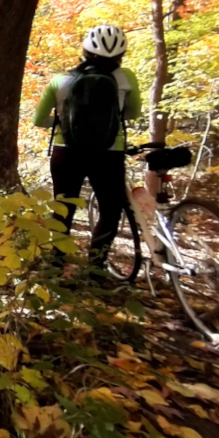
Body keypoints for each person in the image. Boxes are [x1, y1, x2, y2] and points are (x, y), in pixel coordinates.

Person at [32, 25, 143, 264]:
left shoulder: (60, 81)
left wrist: (62, 123)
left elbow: (38, 120)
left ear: (84, 50)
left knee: (63, 207)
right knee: (110, 210)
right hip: (109, 153)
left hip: (67, 152)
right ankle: (95, 266)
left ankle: (57, 263)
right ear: (120, 55)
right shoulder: (127, 79)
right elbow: (133, 114)